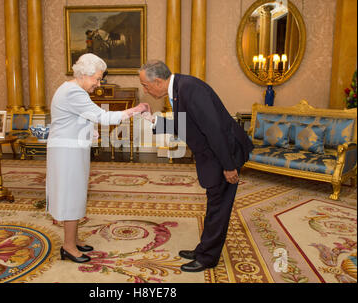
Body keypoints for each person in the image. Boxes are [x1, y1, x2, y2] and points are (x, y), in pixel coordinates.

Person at [138, 60, 254, 272]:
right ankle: (204, 248)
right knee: (214, 203)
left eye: (145, 85)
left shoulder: (189, 89)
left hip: (224, 154)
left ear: (157, 81)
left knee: (219, 207)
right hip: (215, 153)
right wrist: (154, 121)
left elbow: (215, 130)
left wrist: (228, 166)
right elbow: (187, 124)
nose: (144, 89)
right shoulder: (180, 88)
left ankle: (208, 257)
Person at [46, 53, 149, 264]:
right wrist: (136, 110)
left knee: (75, 193)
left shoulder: (72, 89)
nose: (99, 83)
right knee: (71, 196)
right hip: (67, 152)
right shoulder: (74, 92)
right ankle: (68, 247)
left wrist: (88, 130)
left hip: (71, 149)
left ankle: (72, 240)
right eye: (97, 78)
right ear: (84, 74)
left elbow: (77, 117)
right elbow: (103, 116)